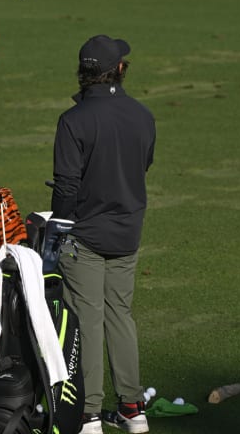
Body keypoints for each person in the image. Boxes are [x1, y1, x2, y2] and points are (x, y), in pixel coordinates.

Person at [50, 34, 156, 434]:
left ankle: (89, 413)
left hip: (86, 237)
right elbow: (141, 165)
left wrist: (58, 229)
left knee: (88, 320)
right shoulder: (143, 115)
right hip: (128, 232)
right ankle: (132, 407)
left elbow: (66, 188)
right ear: (119, 70)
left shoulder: (73, 120)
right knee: (121, 316)